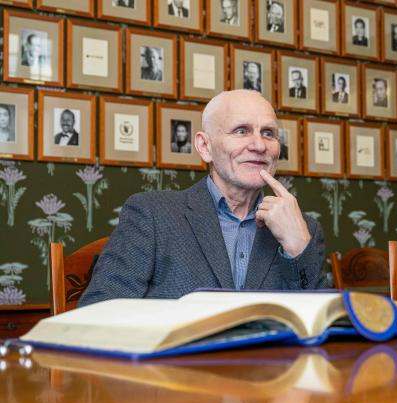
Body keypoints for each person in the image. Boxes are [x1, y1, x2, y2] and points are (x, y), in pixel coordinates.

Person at [78, 89, 329, 307]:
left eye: (268, 133)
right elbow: (97, 312)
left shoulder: (306, 230)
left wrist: (298, 249)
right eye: (241, 131)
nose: (259, 145)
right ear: (204, 146)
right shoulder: (152, 215)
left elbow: (323, 327)